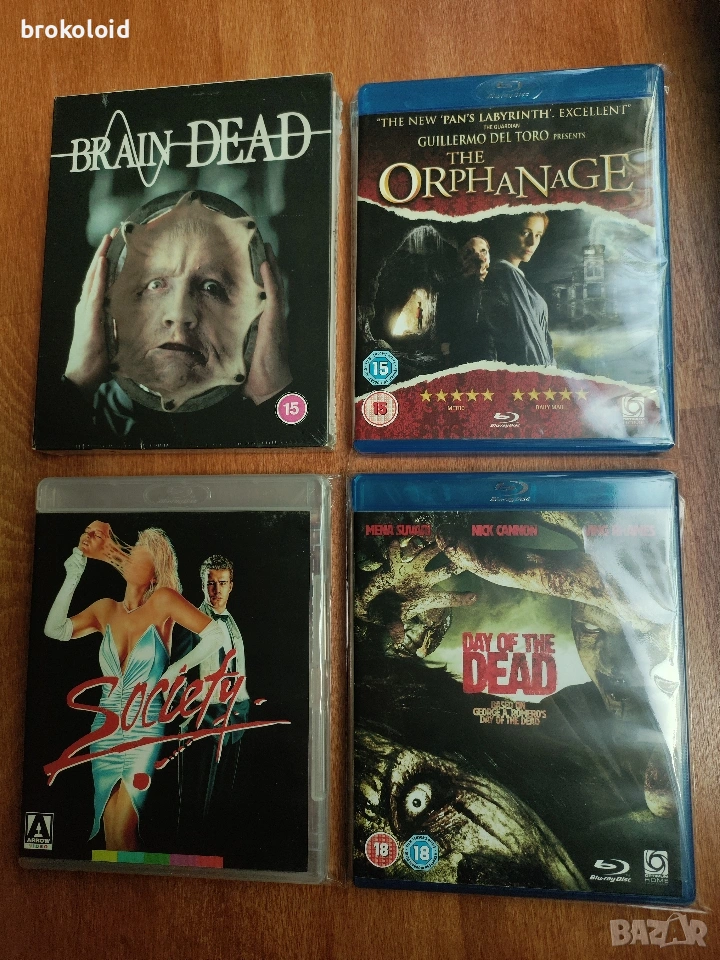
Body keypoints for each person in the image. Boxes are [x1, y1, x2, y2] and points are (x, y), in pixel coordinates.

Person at [43, 521, 228, 852]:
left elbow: (217, 634)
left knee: (124, 830)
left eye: (140, 552)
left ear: (154, 571)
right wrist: (73, 575)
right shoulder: (105, 609)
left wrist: (175, 669)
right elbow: (54, 630)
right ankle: (124, 881)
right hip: (105, 726)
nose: (129, 555)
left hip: (144, 723)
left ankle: (150, 881)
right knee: (109, 832)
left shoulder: (163, 601)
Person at [57, 190, 292, 445]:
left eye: (211, 287)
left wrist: (273, 392)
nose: (179, 315)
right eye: (156, 284)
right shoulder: (80, 420)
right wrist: (76, 385)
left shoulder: (260, 423)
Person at [176, 555, 250, 850]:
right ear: (202, 584)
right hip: (202, 721)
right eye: (210, 583)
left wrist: (241, 708)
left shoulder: (232, 623)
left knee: (222, 802)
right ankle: (188, 862)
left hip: (234, 720)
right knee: (196, 803)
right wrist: (191, 715)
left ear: (231, 585)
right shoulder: (190, 621)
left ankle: (214, 860)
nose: (216, 590)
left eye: (222, 583)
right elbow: (176, 674)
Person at [484, 212, 554, 366]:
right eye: (525, 233)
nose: (532, 242)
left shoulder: (514, 275)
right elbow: (525, 341)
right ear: (506, 231)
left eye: (538, 235)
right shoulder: (505, 273)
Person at [436, 234, 491, 367]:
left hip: (491, 355)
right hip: (462, 354)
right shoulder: (451, 288)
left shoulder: (498, 284)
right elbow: (444, 324)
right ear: (461, 257)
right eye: (469, 252)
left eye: (483, 251)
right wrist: (447, 354)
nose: (477, 256)